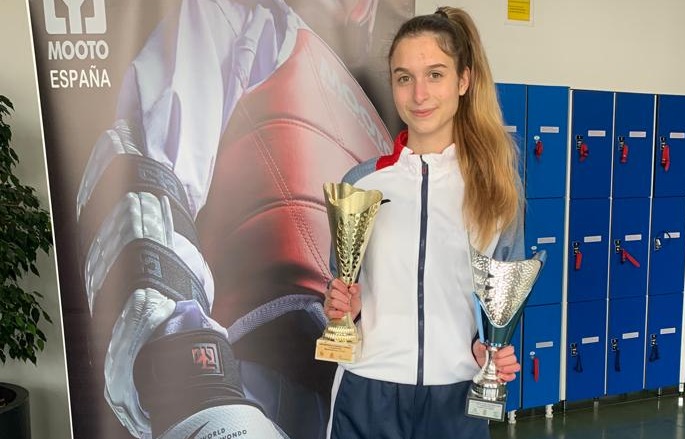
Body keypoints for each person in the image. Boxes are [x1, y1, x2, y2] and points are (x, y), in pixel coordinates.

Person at [73, 1, 397, 438]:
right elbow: (144, 173)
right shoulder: (244, 24)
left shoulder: (386, 136)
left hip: (354, 398)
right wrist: (199, 393)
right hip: (247, 388)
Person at [323, 6, 524, 439]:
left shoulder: (493, 193)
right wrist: (344, 309)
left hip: (455, 396)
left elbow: (498, 311)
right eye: (404, 77)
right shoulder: (362, 182)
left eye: (435, 74)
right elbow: (341, 288)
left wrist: (488, 348)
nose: (419, 95)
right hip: (368, 391)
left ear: (463, 80)